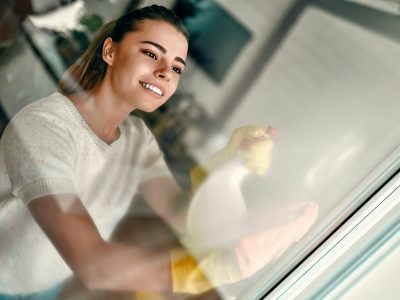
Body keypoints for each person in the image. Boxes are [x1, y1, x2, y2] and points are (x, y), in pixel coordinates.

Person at [0, 4, 317, 299]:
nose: (167, 72)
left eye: (177, 68)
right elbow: (92, 264)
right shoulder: (45, 129)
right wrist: (202, 273)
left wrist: (226, 167)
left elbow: (181, 215)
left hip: (42, 288)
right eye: (152, 54)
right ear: (110, 51)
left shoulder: (137, 139)